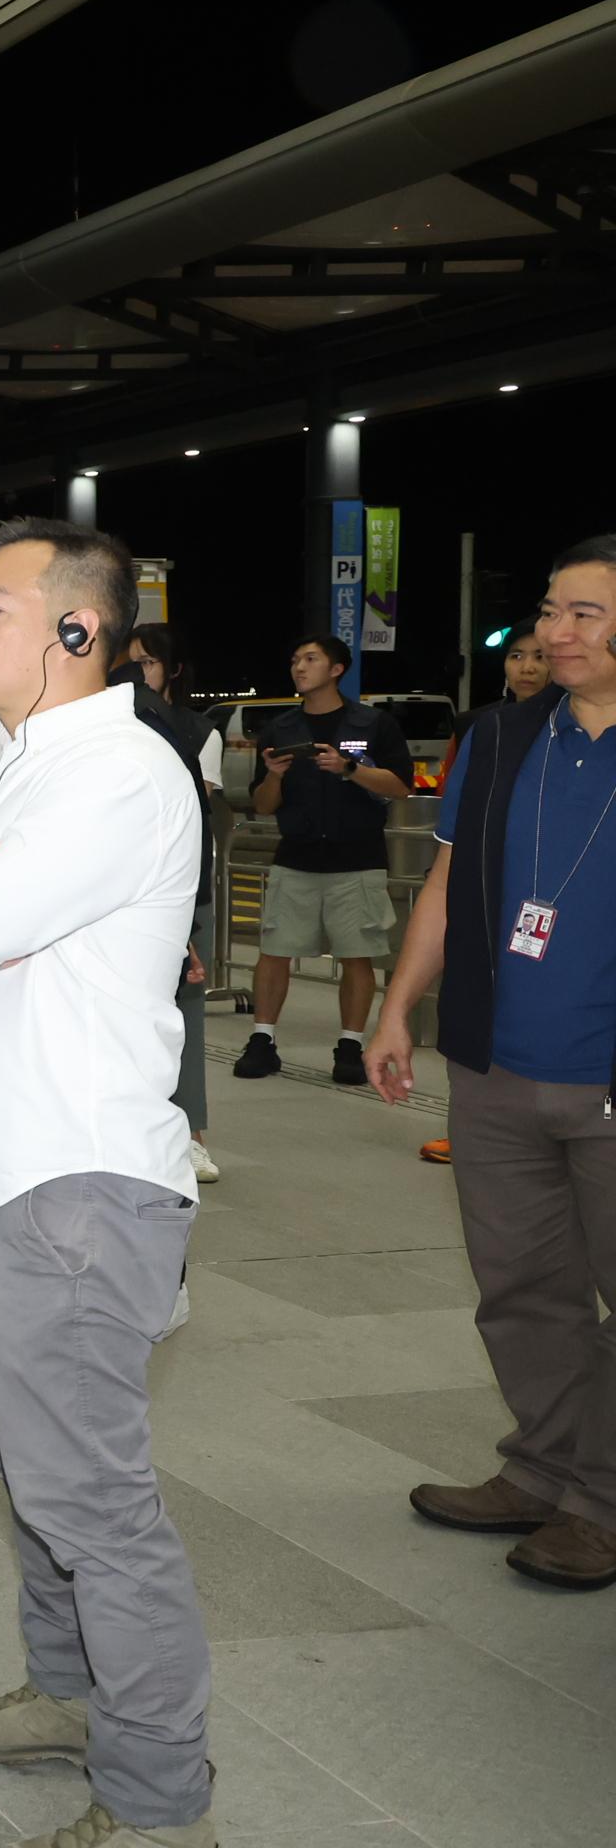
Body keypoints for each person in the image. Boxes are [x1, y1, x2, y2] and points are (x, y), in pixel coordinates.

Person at [0, 519, 213, 1848]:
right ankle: (68, 1695)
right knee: (24, 1464)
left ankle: (164, 1800)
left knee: (91, 1501)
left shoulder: (116, 774)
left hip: (75, 1184)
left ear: (76, 633)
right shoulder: (6, 765)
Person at [366, 535, 616, 1593]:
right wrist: (395, 1008)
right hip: (496, 1068)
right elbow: (441, 885)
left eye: (585, 614)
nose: (554, 633)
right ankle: (545, 1469)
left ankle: (600, 1504)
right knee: (522, 1290)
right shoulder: (503, 736)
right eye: (549, 612)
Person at [238, 634, 410, 1085]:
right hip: (295, 857)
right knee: (274, 950)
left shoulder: (373, 724)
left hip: (358, 859)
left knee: (358, 955)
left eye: (310, 659)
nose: (299, 667)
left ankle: (350, 1045)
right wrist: (274, 777)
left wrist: (350, 769)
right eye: (295, 659)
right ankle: (262, 1039)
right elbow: (263, 804)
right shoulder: (280, 730)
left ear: (337, 669)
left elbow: (399, 786)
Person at [416, 630, 558, 1164]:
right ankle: (469, 1123)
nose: (526, 667)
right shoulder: (480, 727)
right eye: (517, 656)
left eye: (538, 657)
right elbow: (454, 806)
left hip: (542, 893)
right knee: (476, 1001)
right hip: (482, 890)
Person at [128, 623, 224, 1191]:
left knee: (184, 1013)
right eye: (131, 662)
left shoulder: (198, 731)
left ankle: (192, 1136)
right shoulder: (117, 722)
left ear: (174, 670)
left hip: (183, 894)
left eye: (149, 663)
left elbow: (191, 818)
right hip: (127, 889)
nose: (139, 674)